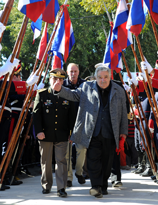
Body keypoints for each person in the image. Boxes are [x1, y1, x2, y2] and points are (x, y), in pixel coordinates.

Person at [53, 64, 128, 198]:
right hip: (92, 131)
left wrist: (123, 131)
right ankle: (95, 186)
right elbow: (73, 95)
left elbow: (123, 112)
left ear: (110, 77)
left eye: (105, 77)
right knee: (93, 160)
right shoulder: (87, 87)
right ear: (96, 77)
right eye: (100, 77)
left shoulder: (119, 90)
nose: (103, 80)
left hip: (111, 133)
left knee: (107, 161)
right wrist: (60, 90)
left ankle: (103, 185)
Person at [33, 68, 76, 198]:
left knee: (61, 161)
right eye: (55, 78)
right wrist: (39, 131)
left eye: (60, 79)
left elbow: (72, 116)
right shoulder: (42, 94)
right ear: (49, 79)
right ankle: (46, 185)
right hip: (45, 134)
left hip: (62, 134)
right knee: (45, 161)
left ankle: (61, 188)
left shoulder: (68, 94)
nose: (57, 81)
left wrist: (71, 133)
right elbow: (36, 115)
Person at [62, 63, 87, 187]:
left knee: (81, 150)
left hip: (81, 123)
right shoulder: (62, 85)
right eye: (71, 71)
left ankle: (79, 172)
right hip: (66, 123)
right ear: (67, 72)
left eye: (75, 71)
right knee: (67, 153)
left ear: (78, 72)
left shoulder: (85, 85)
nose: (73, 74)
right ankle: (68, 178)